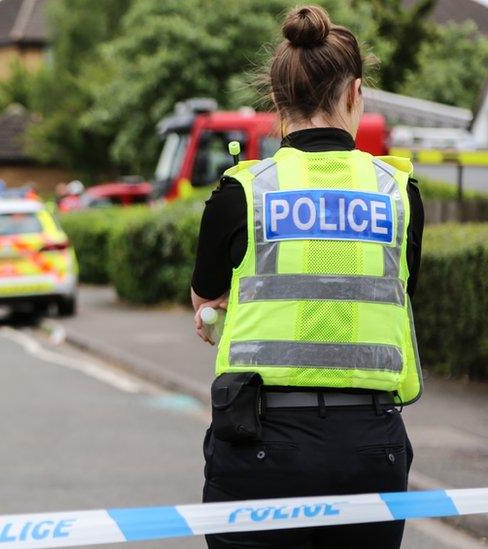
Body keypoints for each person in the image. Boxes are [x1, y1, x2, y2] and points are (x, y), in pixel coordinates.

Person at [190, 6, 424, 548]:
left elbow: (206, 304)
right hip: (373, 448)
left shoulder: (241, 193)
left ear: (275, 100)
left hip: (262, 444)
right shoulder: (398, 194)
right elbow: (397, 295)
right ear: (355, 93)